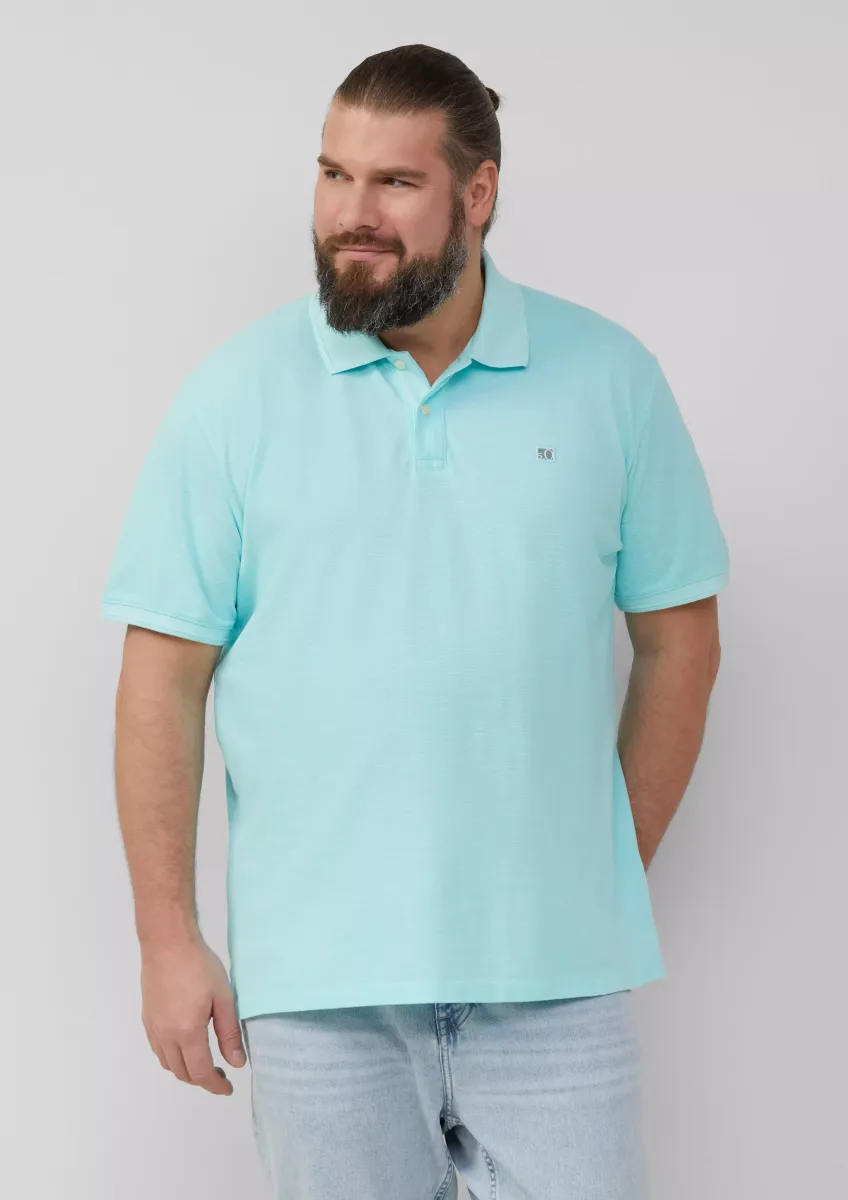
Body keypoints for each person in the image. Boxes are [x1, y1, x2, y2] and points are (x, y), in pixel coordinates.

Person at [101, 42, 729, 1200]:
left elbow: (678, 636)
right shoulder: (234, 396)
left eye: (394, 182)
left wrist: (597, 863)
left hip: (556, 992)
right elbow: (162, 676)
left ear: (477, 193)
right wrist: (167, 940)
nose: (352, 214)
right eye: (333, 175)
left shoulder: (610, 378)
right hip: (318, 996)